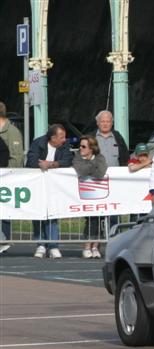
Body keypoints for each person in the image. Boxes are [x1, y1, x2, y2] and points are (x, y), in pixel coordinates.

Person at [26, 124, 74, 258]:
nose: (64, 140)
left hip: (54, 186)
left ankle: (53, 245)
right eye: (61, 137)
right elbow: (31, 161)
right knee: (38, 214)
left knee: (53, 214)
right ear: (53, 138)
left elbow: (68, 160)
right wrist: (41, 165)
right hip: (37, 184)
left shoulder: (65, 145)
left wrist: (52, 164)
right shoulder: (38, 143)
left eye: (64, 137)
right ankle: (41, 244)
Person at [73, 136, 108, 258]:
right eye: (80, 146)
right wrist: (93, 165)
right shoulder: (77, 157)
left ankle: (95, 246)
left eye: (83, 146)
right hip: (85, 193)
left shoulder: (100, 158)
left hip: (99, 192)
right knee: (90, 219)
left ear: (91, 148)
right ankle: (87, 246)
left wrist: (90, 166)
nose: (80, 148)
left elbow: (100, 173)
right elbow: (81, 171)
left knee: (98, 219)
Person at [0, 102, 24, 254]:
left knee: (5, 210)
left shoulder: (12, 132)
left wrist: (4, 172)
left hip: (6, 179)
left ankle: (4, 241)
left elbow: (16, 158)